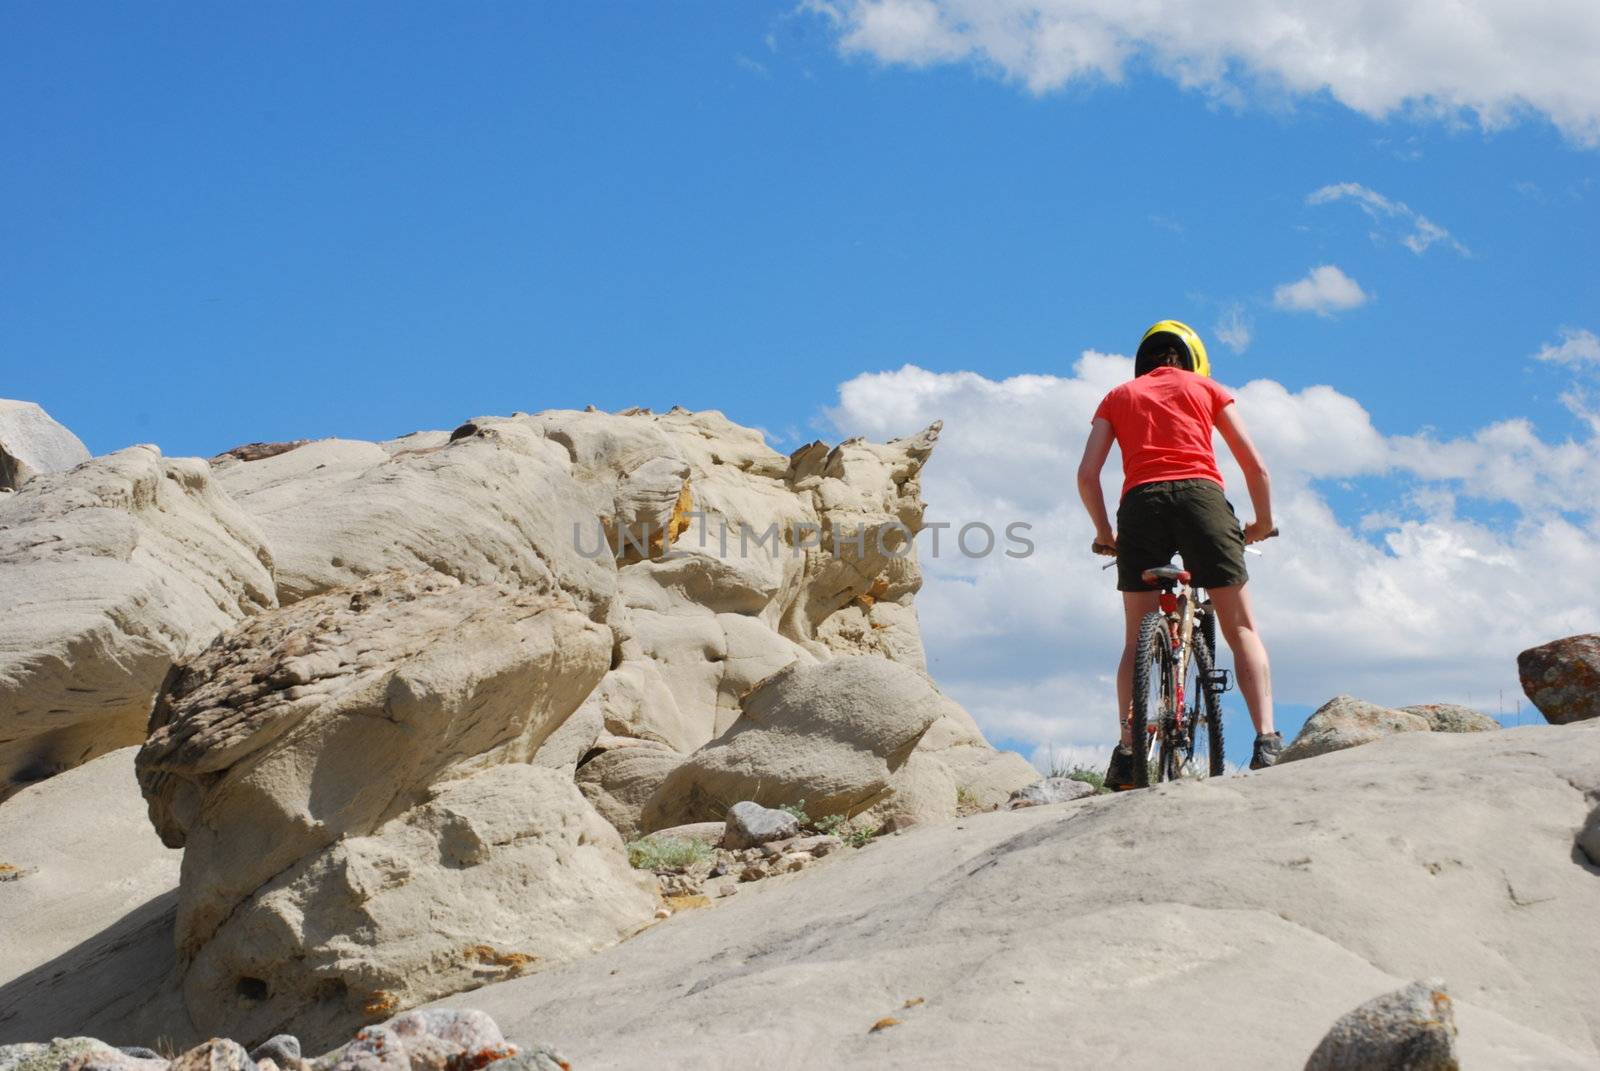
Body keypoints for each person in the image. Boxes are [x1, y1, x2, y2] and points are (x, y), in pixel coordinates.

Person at [1076, 319, 1279, 789]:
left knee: (1134, 639)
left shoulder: (1117, 396)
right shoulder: (1207, 388)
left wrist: (1106, 531)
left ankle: (1128, 751)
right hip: (1201, 499)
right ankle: (1266, 740)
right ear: (1191, 359)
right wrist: (1262, 523)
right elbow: (1256, 465)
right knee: (1241, 625)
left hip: (1140, 505)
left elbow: (1088, 474)